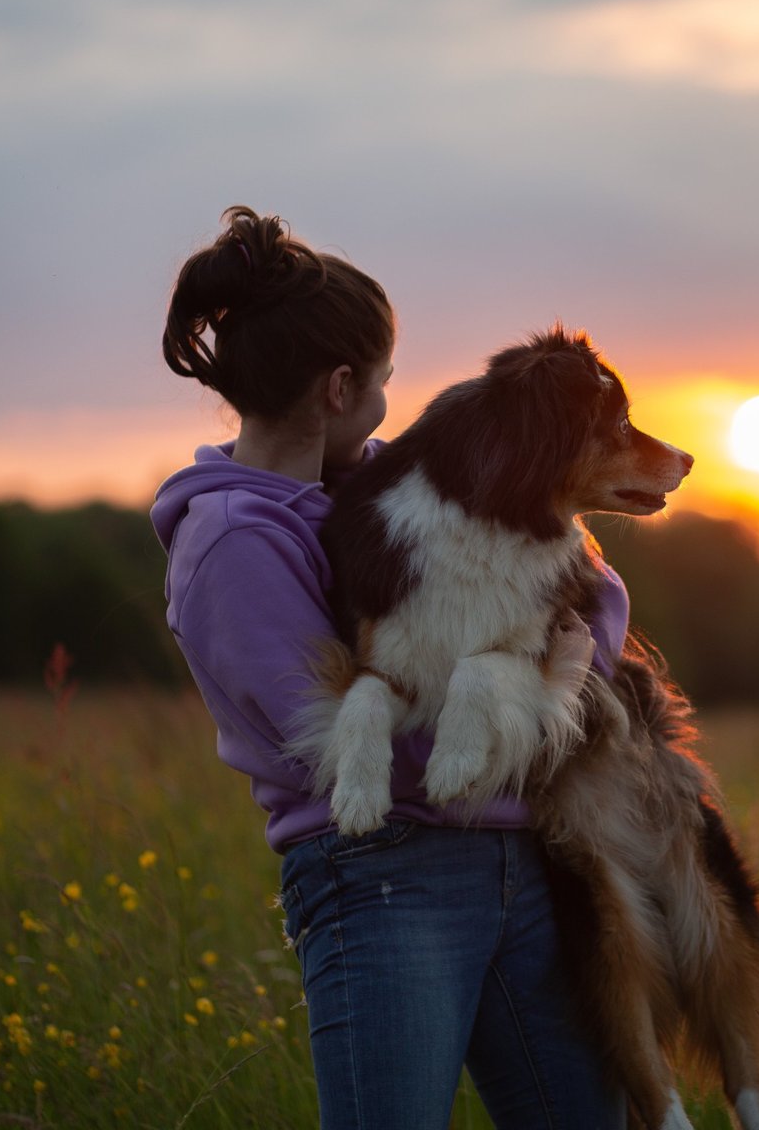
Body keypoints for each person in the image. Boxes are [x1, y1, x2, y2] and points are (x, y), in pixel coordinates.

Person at [150, 206, 627, 1128]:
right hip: (382, 874)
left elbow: (586, 587)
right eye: (382, 383)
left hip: (523, 861)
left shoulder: (390, 485)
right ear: (339, 387)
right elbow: (335, 744)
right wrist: (532, 693)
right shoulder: (231, 544)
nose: (387, 405)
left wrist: (557, 653)